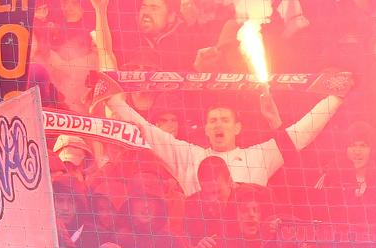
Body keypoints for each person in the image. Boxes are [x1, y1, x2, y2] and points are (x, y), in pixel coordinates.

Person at [106, 80, 345, 196]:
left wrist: (336, 97)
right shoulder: (190, 155)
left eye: (224, 120)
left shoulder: (258, 155)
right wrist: (112, 100)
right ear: (206, 130)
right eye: (213, 121)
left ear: (238, 128)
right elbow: (146, 130)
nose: (218, 124)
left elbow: (302, 133)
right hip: (204, 242)